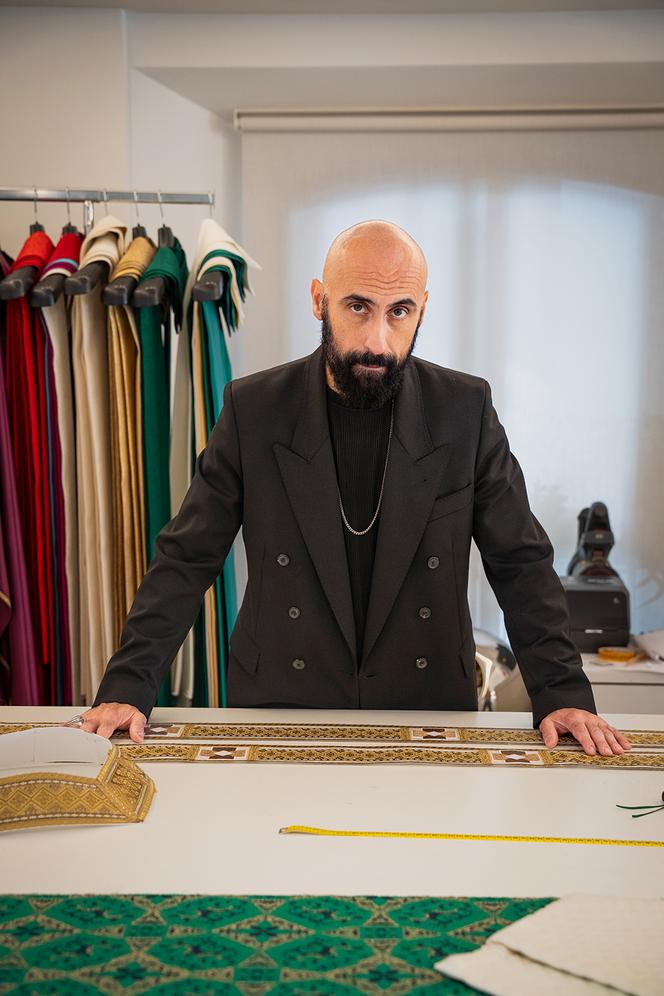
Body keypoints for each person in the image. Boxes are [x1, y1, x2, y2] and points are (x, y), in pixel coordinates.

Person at [76, 220, 630, 757]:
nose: (376, 339)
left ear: (422, 310)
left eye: (399, 312)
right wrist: (130, 682)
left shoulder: (465, 410)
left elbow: (519, 560)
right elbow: (188, 556)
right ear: (319, 299)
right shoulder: (255, 409)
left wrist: (561, 693)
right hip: (280, 702)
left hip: (427, 704)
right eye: (358, 306)